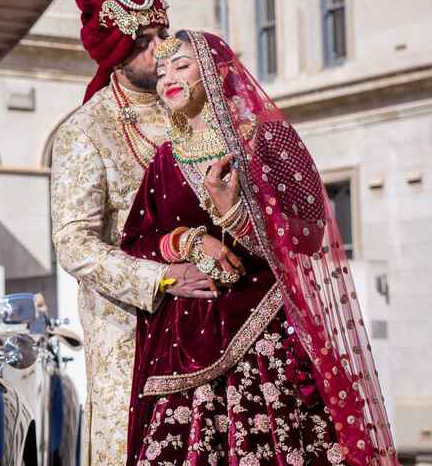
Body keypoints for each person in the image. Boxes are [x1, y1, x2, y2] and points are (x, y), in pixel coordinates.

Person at [118, 30, 397, 465]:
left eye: (182, 65)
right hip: (185, 342)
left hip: (266, 330)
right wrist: (192, 242)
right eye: (161, 70)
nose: (168, 78)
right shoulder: (164, 161)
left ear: (217, 70)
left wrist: (234, 214)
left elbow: (309, 236)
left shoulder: (267, 142)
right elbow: (135, 241)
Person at [50, 0, 217, 466]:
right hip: (130, 325)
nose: (158, 51)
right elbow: (74, 243)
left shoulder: (196, 111)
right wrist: (163, 278)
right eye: (142, 42)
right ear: (117, 54)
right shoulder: (86, 130)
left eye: (162, 36)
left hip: (212, 311)